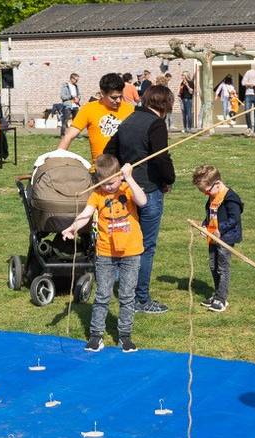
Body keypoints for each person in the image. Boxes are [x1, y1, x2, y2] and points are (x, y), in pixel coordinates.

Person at [62, 155, 147, 353]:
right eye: (104, 184)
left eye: (112, 182)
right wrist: (73, 227)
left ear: (120, 176)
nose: (109, 187)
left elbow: (143, 201)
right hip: (105, 252)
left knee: (127, 295)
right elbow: (86, 214)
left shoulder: (127, 188)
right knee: (102, 295)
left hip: (131, 251)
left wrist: (129, 178)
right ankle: (96, 335)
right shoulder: (97, 194)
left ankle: (125, 336)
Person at [105, 84, 174, 316]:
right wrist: (169, 179)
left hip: (127, 191)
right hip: (148, 191)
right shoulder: (156, 124)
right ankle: (140, 298)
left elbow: (109, 151)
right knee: (145, 246)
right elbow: (162, 159)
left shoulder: (129, 120)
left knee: (128, 241)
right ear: (165, 104)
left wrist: (119, 175)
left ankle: (123, 288)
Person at [194, 164, 243, 312]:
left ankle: (222, 299)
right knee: (213, 266)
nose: (206, 194)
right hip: (213, 237)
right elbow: (210, 214)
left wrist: (220, 229)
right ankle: (217, 294)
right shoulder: (212, 196)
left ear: (217, 183)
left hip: (226, 238)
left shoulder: (230, 198)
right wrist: (204, 225)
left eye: (207, 191)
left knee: (222, 268)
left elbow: (234, 219)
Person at [59, 73, 135, 163]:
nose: (118, 100)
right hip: (100, 168)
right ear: (102, 93)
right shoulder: (89, 109)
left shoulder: (130, 109)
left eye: (120, 96)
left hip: (125, 167)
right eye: (114, 97)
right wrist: (57, 159)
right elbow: (69, 136)